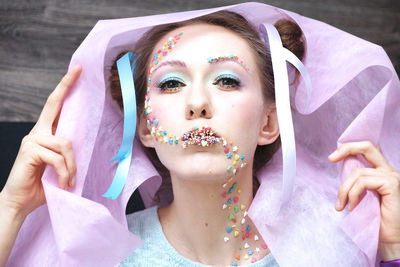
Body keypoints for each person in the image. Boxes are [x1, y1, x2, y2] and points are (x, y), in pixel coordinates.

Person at [1, 2, 400, 267]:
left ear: (268, 124)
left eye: (227, 80)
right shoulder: (101, 254)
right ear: (144, 127)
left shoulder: (328, 252)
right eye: (171, 83)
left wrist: (394, 249)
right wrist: (10, 208)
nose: (198, 104)